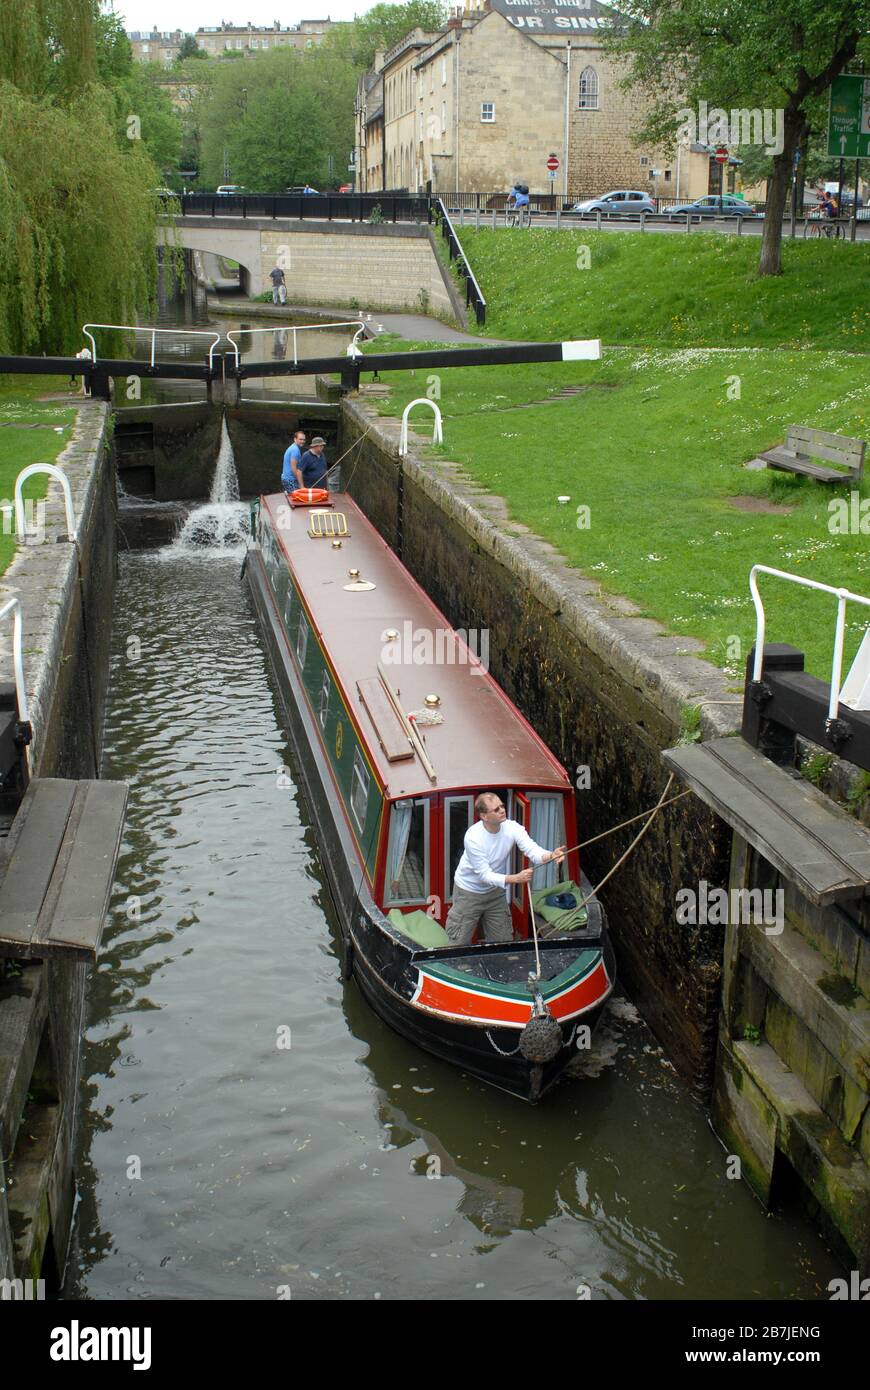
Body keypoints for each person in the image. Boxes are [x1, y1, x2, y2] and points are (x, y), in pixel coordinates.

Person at [444, 792, 565, 945]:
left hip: (495, 894)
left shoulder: (513, 828)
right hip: (468, 893)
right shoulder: (473, 837)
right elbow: (485, 875)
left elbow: (532, 851)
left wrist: (551, 855)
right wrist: (516, 878)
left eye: (502, 806)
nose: (502, 810)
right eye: (496, 809)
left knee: (503, 942)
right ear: (484, 816)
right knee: (458, 943)